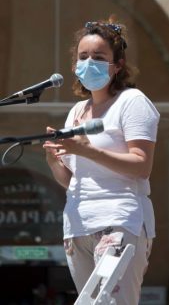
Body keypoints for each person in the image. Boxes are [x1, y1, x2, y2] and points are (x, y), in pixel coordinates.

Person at [43, 20, 160, 305]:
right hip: (78, 225)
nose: (89, 63)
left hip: (119, 220)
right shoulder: (76, 111)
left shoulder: (132, 102)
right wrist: (52, 160)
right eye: (83, 57)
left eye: (99, 58)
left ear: (117, 65)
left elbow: (141, 165)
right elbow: (72, 180)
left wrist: (87, 151)